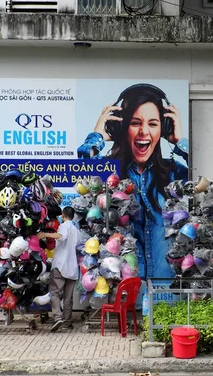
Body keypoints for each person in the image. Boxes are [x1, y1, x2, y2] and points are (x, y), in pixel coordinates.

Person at [77, 84, 188, 279]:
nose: (144, 131)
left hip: (167, 290)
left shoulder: (175, 172)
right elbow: (84, 175)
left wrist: (180, 142)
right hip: (127, 289)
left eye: (153, 124)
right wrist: (97, 137)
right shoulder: (109, 173)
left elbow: (207, 181)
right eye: (135, 123)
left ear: (163, 128)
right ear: (121, 127)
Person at [37, 206, 80, 332]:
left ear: (63, 215)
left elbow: (62, 236)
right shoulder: (76, 230)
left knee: (55, 293)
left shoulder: (64, 226)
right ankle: (67, 321)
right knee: (68, 297)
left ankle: (58, 318)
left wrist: (45, 234)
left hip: (60, 266)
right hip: (72, 267)